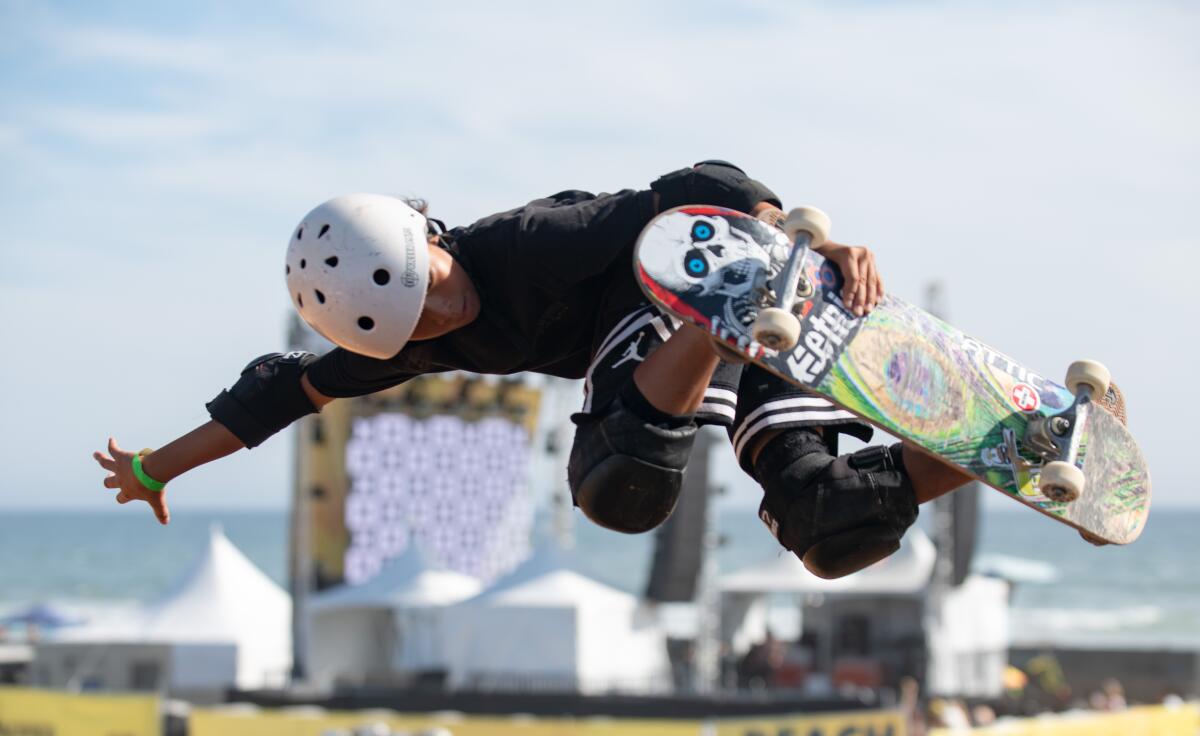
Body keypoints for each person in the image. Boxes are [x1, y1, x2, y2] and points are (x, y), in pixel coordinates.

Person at [94, 161, 972, 577]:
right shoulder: (413, 341)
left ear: (431, 237)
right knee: (827, 528)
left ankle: (724, 320)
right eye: (420, 323)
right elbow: (278, 395)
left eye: (436, 288)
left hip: (700, 287)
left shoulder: (526, 245)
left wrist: (779, 236)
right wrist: (152, 467)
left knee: (615, 471)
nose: (448, 314)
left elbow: (701, 180)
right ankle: (1003, 446)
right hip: (740, 340)